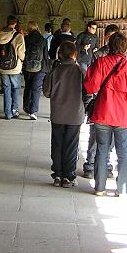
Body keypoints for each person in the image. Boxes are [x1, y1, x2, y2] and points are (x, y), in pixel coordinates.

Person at [83, 31, 127, 197]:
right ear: (124, 48)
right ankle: (122, 188)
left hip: (103, 112)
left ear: (109, 46)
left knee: (102, 150)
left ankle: (99, 188)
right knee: (122, 151)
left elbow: (91, 87)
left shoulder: (101, 62)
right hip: (123, 116)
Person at [42, 40, 85, 187]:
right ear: (75, 54)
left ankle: (58, 175)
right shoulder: (80, 71)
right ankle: (69, 176)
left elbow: (47, 92)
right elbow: (88, 93)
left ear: (59, 54)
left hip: (58, 114)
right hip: (75, 114)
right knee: (71, 145)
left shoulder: (55, 71)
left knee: (57, 144)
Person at [82, 23, 119, 178]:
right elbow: (90, 81)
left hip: (116, 102)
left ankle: (107, 164)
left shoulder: (124, 57)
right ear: (106, 37)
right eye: (111, 37)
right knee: (95, 136)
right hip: (100, 100)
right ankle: (90, 165)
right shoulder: (98, 55)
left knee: (110, 138)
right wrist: (88, 103)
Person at [0, 15, 26, 120]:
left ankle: (7, 113)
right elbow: (21, 53)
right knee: (15, 88)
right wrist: (22, 60)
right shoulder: (18, 36)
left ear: (6, 23)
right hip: (15, 67)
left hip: (3, 68)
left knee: (6, 89)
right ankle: (14, 110)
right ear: (15, 24)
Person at [22, 21, 50, 120]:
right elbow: (46, 56)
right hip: (40, 68)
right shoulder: (42, 40)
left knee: (28, 86)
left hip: (27, 67)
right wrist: (47, 69)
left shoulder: (25, 39)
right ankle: (33, 111)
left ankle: (26, 106)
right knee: (36, 89)